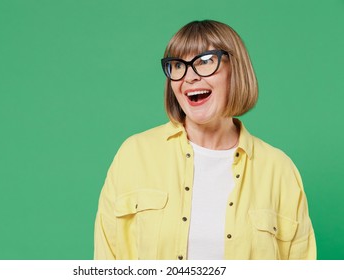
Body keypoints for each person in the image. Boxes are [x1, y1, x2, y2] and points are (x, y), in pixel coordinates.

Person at [94, 20, 316, 260]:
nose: (189, 77)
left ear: (237, 69)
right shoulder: (134, 155)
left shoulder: (279, 170)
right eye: (178, 65)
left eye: (205, 61)